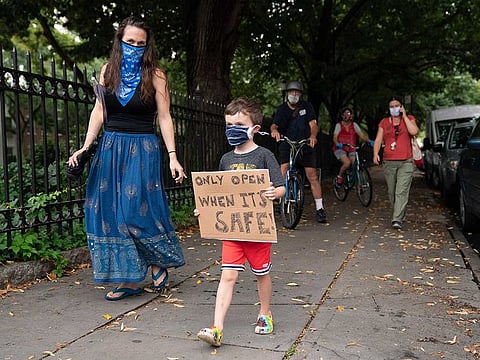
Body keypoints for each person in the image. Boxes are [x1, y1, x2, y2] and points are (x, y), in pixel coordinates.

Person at [67, 16, 186, 300]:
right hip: (109, 147)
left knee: (133, 210)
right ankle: (129, 279)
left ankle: (157, 259)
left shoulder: (156, 75)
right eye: (129, 41)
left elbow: (165, 117)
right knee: (106, 210)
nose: (134, 47)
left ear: (147, 47)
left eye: (140, 44)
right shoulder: (109, 70)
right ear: (120, 42)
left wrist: (173, 156)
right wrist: (85, 147)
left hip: (142, 148)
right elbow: (99, 111)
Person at [196, 97, 285, 347]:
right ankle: (217, 328)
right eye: (229, 124)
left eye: (238, 124)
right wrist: (204, 208)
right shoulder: (225, 159)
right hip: (233, 231)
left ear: (255, 128)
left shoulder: (265, 155)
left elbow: (281, 188)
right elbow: (219, 195)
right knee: (227, 277)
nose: (232, 129)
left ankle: (265, 312)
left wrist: (273, 193)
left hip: (257, 232)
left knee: (262, 275)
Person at [270, 81, 327, 223]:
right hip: (287, 144)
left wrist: (313, 136)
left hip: (304, 144)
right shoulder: (282, 109)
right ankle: (279, 201)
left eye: (297, 92)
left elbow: (313, 125)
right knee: (282, 171)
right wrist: (274, 131)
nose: (294, 94)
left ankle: (320, 209)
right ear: (287, 93)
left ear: (300, 94)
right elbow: (274, 124)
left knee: (312, 175)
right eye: (291, 92)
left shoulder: (307, 107)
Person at [372, 96, 419, 230]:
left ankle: (397, 219)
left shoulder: (409, 119)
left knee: (401, 191)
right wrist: (375, 153)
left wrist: (404, 116)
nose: (394, 108)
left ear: (402, 106)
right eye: (391, 106)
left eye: (397, 105)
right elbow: (378, 139)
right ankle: (399, 214)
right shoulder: (384, 122)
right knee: (392, 192)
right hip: (389, 162)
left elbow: (414, 131)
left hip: (406, 161)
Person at [332, 107, 374, 186]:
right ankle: (339, 177)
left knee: (353, 162)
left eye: (348, 113)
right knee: (347, 163)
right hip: (340, 148)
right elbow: (335, 137)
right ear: (342, 115)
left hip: (351, 147)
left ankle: (352, 178)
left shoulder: (354, 125)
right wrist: (337, 143)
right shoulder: (339, 125)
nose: (347, 115)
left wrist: (370, 141)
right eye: (345, 113)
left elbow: (361, 135)